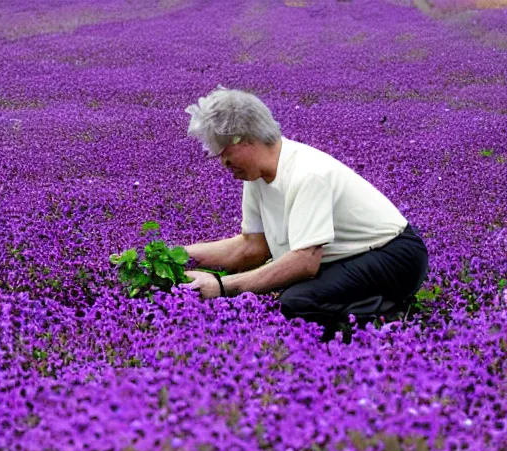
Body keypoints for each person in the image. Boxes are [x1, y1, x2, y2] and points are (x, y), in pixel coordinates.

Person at [180, 85, 428, 335]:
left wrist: (222, 287)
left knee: (297, 301)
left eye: (224, 153)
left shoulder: (307, 173)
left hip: (394, 257)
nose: (224, 163)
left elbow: (304, 262)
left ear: (246, 139)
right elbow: (251, 247)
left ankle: (389, 313)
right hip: (347, 259)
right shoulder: (256, 178)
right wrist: (176, 257)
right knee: (295, 293)